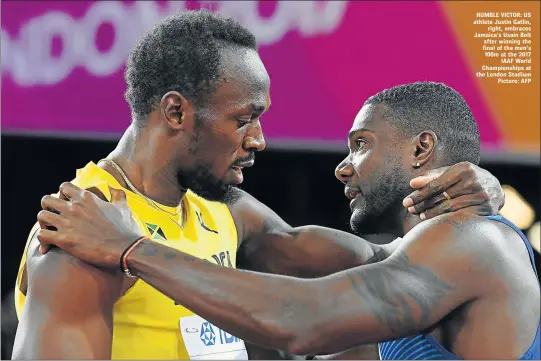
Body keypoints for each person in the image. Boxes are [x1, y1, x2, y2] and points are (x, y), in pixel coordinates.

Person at [12, 9, 505, 360]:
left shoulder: (226, 213)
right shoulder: (82, 232)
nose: (260, 139)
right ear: (177, 111)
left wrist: (471, 197)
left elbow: (387, 261)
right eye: (244, 118)